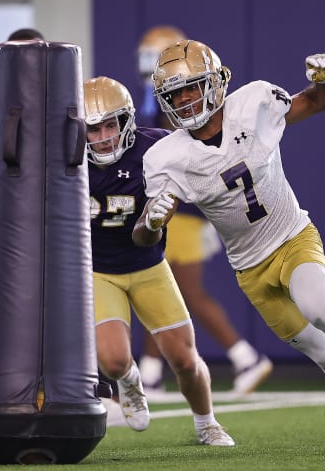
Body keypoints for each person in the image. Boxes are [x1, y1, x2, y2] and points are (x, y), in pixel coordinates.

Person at [133, 40, 325, 448]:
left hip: (291, 236)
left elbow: (316, 102)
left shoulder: (253, 103)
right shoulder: (166, 156)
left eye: (191, 88)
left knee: (318, 307)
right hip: (249, 268)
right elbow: (146, 234)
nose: (184, 100)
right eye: (174, 94)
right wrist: (152, 220)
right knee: (324, 356)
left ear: (216, 83)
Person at [83, 76, 235, 446]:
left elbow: (145, 237)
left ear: (127, 123)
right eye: (93, 128)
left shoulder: (158, 150)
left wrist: (153, 221)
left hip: (148, 264)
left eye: (110, 125)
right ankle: (131, 382)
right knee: (114, 360)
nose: (103, 136)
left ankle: (206, 422)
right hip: (99, 271)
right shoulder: (63, 162)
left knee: (184, 359)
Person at [135, 25, 272, 395]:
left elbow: (179, 136)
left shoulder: (183, 100)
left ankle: (243, 355)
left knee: (177, 291)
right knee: (167, 289)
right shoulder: (159, 98)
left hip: (187, 208)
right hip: (184, 207)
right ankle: (151, 370)